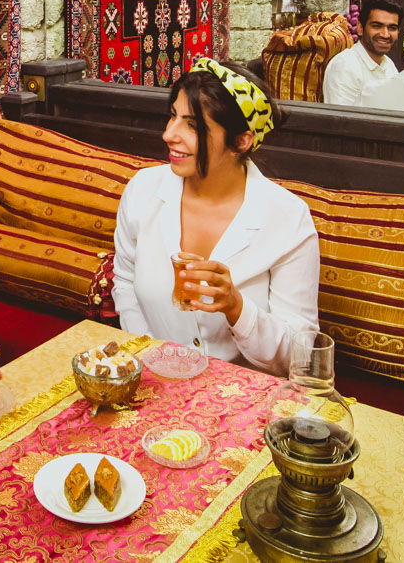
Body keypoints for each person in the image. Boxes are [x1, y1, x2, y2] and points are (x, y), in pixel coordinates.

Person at [112, 58, 320, 376]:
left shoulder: (288, 218)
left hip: (247, 403)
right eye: (173, 117)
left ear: (241, 140)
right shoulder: (143, 191)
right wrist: (148, 358)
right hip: (157, 387)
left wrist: (236, 307)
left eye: (192, 125)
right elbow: (125, 282)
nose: (169, 134)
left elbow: (300, 357)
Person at [322, 0, 402, 105]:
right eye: (377, 26)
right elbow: (343, 119)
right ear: (360, 28)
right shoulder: (345, 66)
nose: (385, 34)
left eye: (392, 28)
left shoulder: (388, 65)